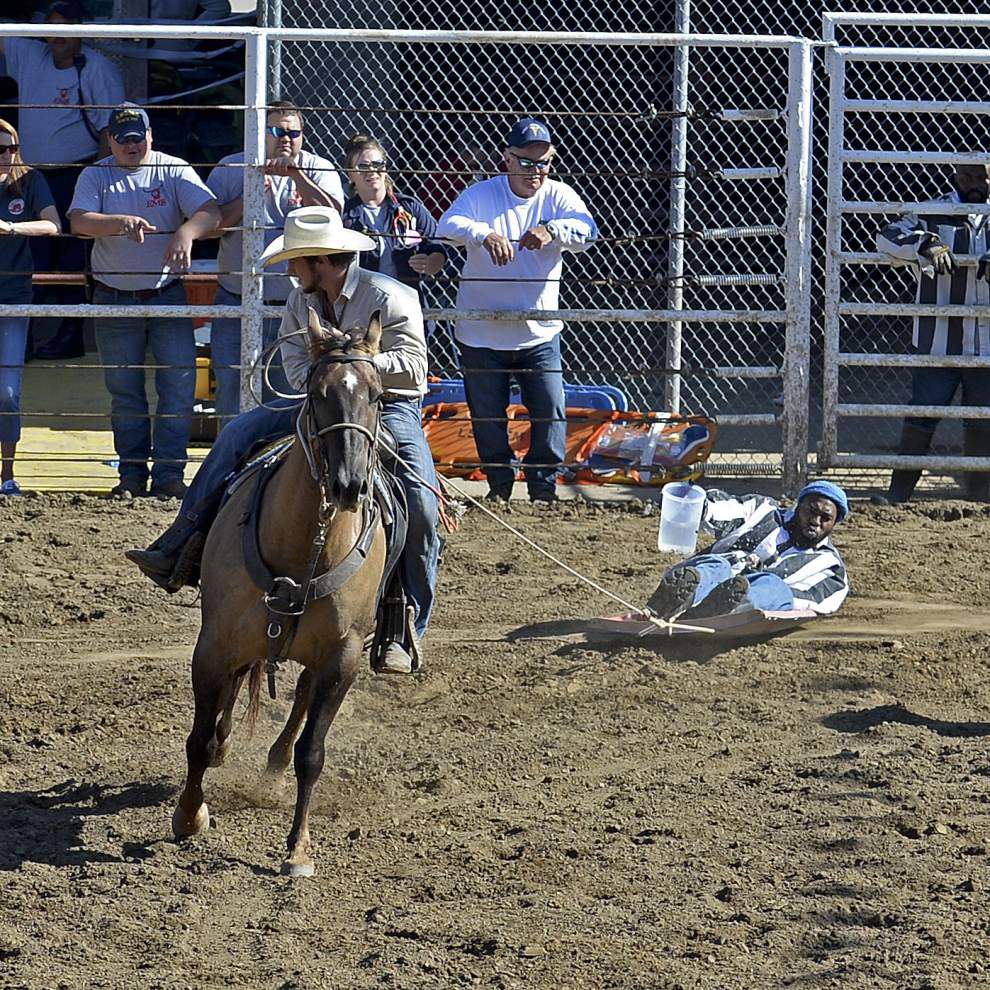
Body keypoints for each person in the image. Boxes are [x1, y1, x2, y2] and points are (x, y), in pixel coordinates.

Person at [125, 206, 441, 674]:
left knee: (419, 500)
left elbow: (416, 369)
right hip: (317, 403)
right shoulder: (302, 301)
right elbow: (295, 368)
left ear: (321, 259)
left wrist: (356, 365)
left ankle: (404, 621)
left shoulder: (390, 296)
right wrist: (326, 372)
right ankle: (181, 540)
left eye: (297, 261)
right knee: (236, 433)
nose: (291, 270)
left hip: (384, 406)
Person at [437, 117, 597, 503]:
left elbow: (588, 231)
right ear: (506, 159)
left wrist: (554, 230)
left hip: (537, 332)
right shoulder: (482, 194)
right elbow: (447, 225)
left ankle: (543, 489)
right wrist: (484, 234)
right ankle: (500, 487)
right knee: (488, 416)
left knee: (550, 410)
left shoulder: (558, 195)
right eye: (526, 162)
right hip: (482, 333)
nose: (535, 172)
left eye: (543, 163)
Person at [68, 103, 220, 498]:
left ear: (151, 136)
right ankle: (131, 474)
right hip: (113, 297)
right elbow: (79, 222)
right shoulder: (95, 174)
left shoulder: (173, 169)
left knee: (179, 384)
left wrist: (186, 233)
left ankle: (169, 474)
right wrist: (119, 222)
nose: (131, 146)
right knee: (125, 389)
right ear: (111, 141)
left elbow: (210, 212)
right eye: (123, 140)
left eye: (138, 137)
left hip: (166, 293)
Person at [0, 0, 126, 360]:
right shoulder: (29, 52)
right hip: (26, 173)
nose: (57, 35)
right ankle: (24, 340)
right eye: (52, 26)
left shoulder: (97, 69)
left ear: (80, 32)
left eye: (66, 27)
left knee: (71, 260)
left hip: (75, 173)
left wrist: (100, 182)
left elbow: (109, 129)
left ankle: (66, 339)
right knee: (27, 257)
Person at [206, 100, 344, 423]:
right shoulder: (231, 168)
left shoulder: (318, 168)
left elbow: (336, 219)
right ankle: (236, 470)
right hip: (236, 300)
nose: (286, 139)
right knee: (231, 391)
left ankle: (285, 471)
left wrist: (298, 179)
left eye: (293, 132)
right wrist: (249, 196)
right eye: (277, 131)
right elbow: (210, 228)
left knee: (291, 393)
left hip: (297, 304)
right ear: (259, 132)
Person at [875, 162, 990, 503]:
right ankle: (899, 496)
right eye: (965, 176)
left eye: (981, 176)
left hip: (987, 345)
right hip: (937, 339)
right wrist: (923, 244)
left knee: (982, 418)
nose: (973, 183)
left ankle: (979, 500)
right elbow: (886, 236)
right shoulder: (932, 212)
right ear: (955, 177)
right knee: (923, 413)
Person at [645, 481, 850, 621]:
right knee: (720, 566)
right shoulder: (762, 510)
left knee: (775, 588)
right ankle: (677, 596)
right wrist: (700, 504)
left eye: (825, 518)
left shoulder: (830, 568)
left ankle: (731, 605)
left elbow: (820, 601)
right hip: (718, 569)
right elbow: (726, 508)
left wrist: (769, 589)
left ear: (834, 523)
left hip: (760, 595)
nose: (816, 521)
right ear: (798, 507)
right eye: (811, 511)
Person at [0, 118, 60, 496]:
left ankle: (7, 474)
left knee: (7, 390)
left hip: (13, 296)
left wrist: (10, 227)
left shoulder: (30, 181)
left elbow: (53, 225)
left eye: (11, 148)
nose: (6, 156)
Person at [340, 132, 447, 302]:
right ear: (351, 175)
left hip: (406, 299)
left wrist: (430, 262)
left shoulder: (409, 207)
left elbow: (438, 248)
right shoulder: (344, 216)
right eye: (363, 167)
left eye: (377, 164)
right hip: (361, 302)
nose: (372, 171)